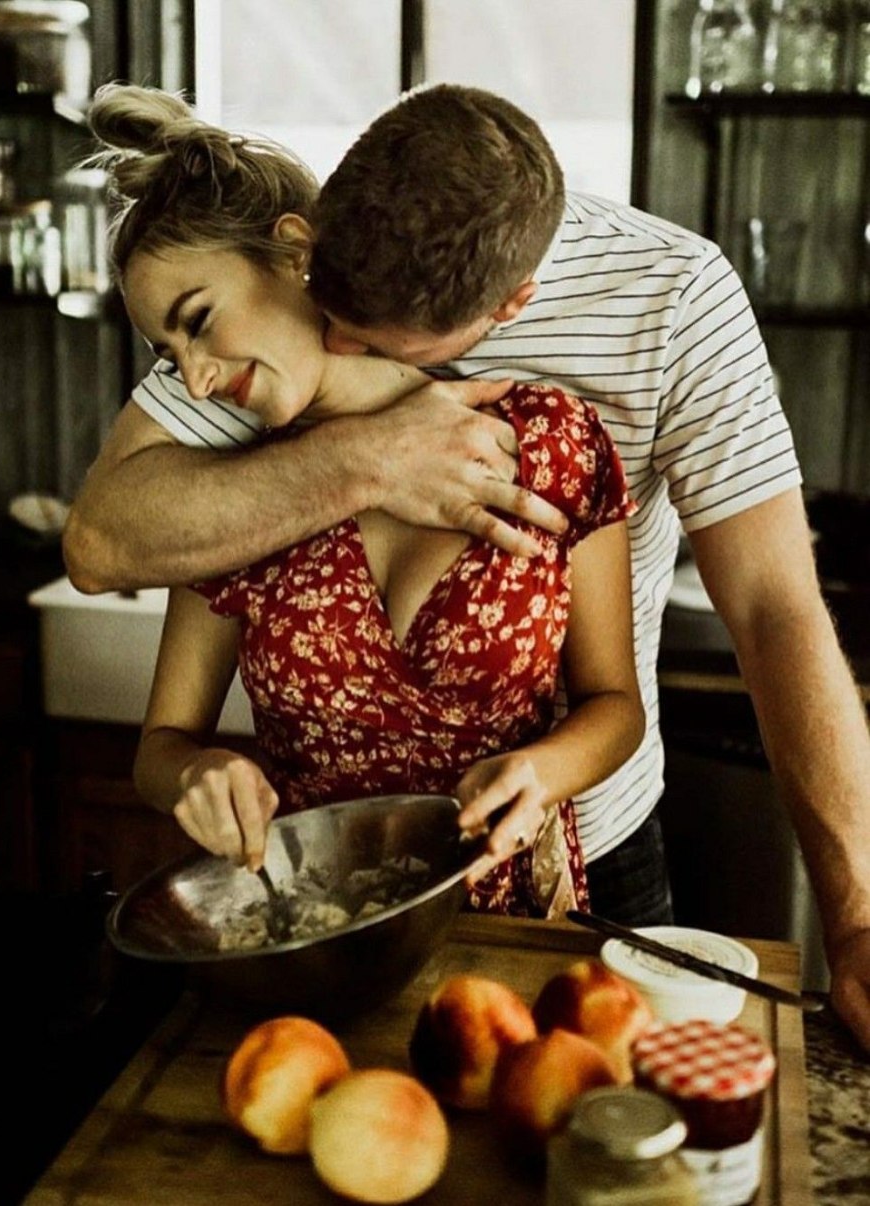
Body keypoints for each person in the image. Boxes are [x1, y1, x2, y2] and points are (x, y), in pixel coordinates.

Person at [64, 84, 870, 1047]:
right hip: (318, 910)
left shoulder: (650, 324)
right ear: (311, 242)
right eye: (335, 308)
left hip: (576, 872)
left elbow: (775, 611)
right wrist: (367, 458)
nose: (341, 342)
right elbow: (102, 545)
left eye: (373, 336)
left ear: (509, 308)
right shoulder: (261, 350)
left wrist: (858, 918)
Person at [87, 83, 645, 916]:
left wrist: (545, 768)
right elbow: (160, 747)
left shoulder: (552, 440)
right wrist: (197, 773)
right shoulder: (231, 493)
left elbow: (616, 705)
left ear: (293, 254)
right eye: (169, 355)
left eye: (198, 322)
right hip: (312, 930)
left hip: (515, 931)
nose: (195, 381)